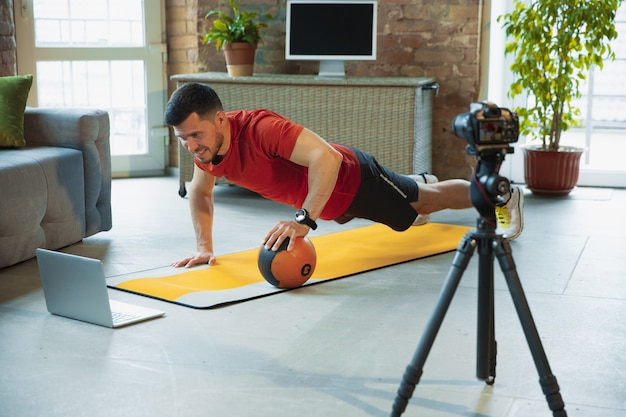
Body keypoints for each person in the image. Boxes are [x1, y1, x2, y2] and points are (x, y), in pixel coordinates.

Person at [164, 83, 524, 268]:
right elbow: (200, 193)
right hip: (330, 203)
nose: (192, 146)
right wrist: (204, 248)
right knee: (413, 208)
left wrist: (303, 220)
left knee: (426, 204)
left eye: (196, 135)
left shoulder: (261, 130)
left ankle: (502, 195)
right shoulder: (205, 151)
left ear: (221, 120)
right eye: (183, 139)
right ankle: (413, 182)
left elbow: (328, 157)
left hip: (353, 178)